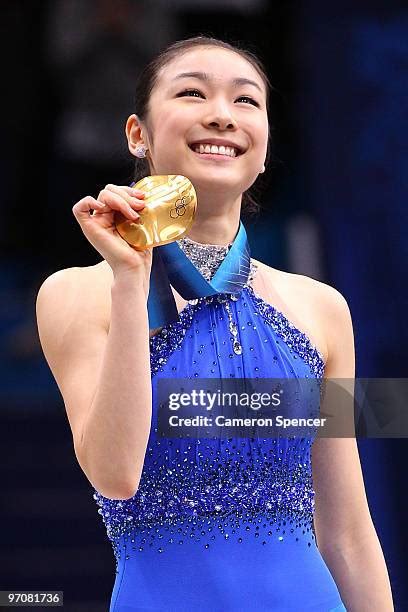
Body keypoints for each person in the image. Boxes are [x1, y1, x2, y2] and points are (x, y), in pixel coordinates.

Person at [36, 36, 393, 611]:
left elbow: (349, 533)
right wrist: (131, 279)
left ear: (266, 138)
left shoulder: (323, 308)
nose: (222, 115)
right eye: (192, 93)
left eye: (246, 101)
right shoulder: (76, 292)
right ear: (138, 133)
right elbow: (115, 475)